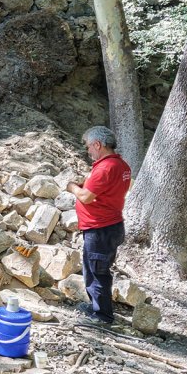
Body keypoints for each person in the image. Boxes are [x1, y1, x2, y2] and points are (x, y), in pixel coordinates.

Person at [66, 126, 132, 325]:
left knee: (97, 271)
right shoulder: (121, 166)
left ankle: (102, 317)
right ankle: (96, 306)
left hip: (101, 228)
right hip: (108, 225)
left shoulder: (105, 167)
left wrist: (72, 187)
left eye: (89, 147)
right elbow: (104, 190)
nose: (88, 151)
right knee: (93, 268)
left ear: (98, 144)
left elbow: (86, 197)